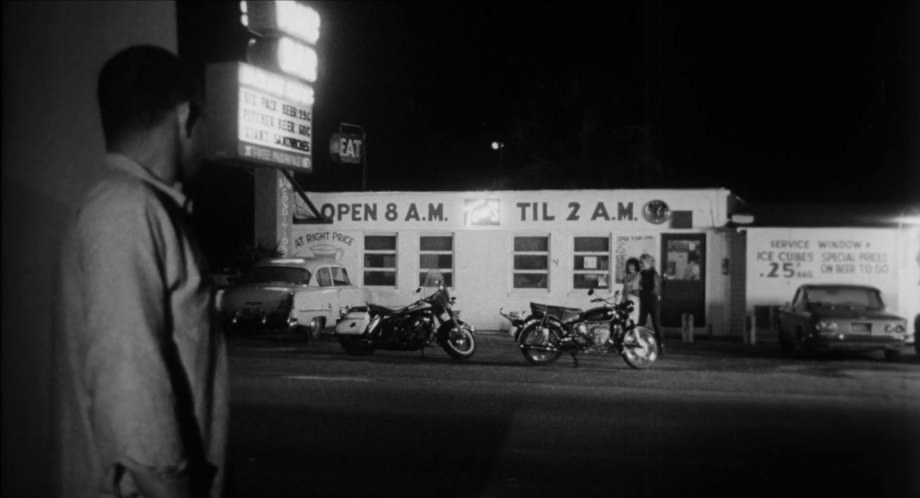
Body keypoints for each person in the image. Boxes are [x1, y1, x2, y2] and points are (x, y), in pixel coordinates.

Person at [53, 46, 228, 498]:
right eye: (205, 121)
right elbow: (127, 374)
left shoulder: (133, 206)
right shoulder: (128, 209)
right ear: (186, 116)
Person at [637, 253, 664, 355]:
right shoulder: (642, 273)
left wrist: (644, 290)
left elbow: (656, 289)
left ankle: (661, 345)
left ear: (648, 263)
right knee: (641, 322)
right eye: (640, 263)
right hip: (645, 300)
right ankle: (641, 343)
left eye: (642, 263)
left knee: (656, 323)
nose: (641, 265)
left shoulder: (653, 274)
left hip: (652, 300)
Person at [621, 257, 642, 322]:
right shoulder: (626, 276)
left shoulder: (639, 276)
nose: (630, 267)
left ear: (636, 266)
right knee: (627, 319)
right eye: (629, 265)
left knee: (634, 319)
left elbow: (639, 290)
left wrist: (631, 292)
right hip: (627, 299)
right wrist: (623, 299)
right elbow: (624, 289)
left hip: (635, 300)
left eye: (632, 266)